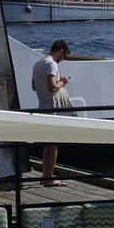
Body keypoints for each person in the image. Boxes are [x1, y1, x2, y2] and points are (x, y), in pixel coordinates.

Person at [31, 39, 73, 187]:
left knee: (47, 144)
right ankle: (49, 179)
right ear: (60, 52)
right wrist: (63, 81)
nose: (62, 59)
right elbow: (53, 87)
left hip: (42, 107)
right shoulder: (52, 64)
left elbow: (34, 86)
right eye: (64, 56)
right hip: (52, 109)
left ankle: (45, 176)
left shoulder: (37, 64)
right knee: (53, 145)